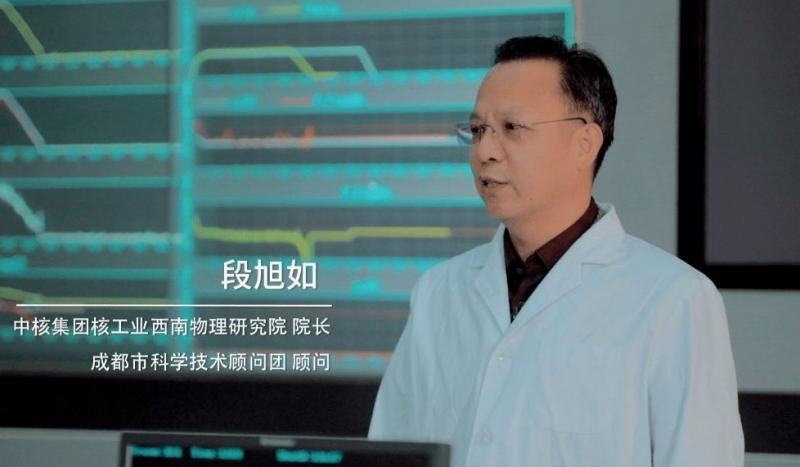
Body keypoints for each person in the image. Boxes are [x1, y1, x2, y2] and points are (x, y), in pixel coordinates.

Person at [368, 35, 744, 467]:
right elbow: (392, 454)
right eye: (478, 130)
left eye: (512, 128)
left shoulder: (674, 299)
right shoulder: (439, 292)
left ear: (584, 144)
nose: (484, 151)